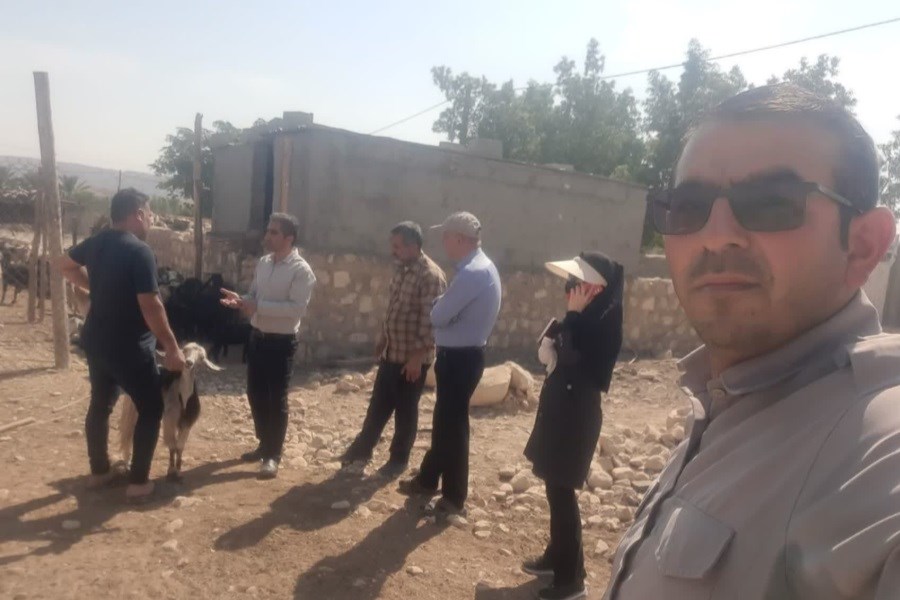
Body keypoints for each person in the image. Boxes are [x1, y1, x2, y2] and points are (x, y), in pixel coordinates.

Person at [603, 84, 900, 600]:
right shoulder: (725, 396)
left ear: (862, 245)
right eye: (688, 206)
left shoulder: (878, 452)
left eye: (770, 203)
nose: (716, 234)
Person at [57, 188, 186, 501]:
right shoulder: (139, 251)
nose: (152, 220)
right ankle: (139, 482)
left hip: (95, 340)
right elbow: (151, 305)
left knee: (100, 403)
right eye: (150, 214)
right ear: (138, 214)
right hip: (129, 346)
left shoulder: (96, 242)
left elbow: (64, 264)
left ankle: (99, 472)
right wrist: (171, 347)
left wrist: (96, 286)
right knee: (151, 406)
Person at [522, 252, 623, 600]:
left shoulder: (604, 321)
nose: (571, 288)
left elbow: (576, 360)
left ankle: (571, 580)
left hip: (576, 415)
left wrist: (573, 318)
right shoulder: (587, 317)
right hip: (563, 410)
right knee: (554, 487)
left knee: (562, 491)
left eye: (578, 283)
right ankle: (557, 557)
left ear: (596, 288)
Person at [398, 211, 502, 516]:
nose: (442, 243)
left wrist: (440, 309)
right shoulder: (480, 268)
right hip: (462, 357)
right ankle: (428, 479)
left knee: (453, 428)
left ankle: (454, 497)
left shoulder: (472, 273)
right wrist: (443, 310)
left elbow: (438, 315)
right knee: (445, 423)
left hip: (460, 359)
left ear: (459, 239)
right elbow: (444, 314)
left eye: (445, 237)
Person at [340, 222, 447, 478]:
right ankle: (362, 449)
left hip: (412, 358)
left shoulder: (430, 276)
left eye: (397, 246)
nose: (393, 251)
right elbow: (394, 308)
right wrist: (383, 338)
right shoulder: (401, 269)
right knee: (378, 405)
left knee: (405, 410)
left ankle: (398, 459)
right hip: (392, 352)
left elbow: (431, 321)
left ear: (413, 246)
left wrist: (417, 358)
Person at [221, 213, 316, 479]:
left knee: (276, 399)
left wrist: (257, 306)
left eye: (274, 232)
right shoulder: (264, 263)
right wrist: (241, 301)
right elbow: (254, 294)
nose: (268, 236)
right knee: (255, 393)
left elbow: (296, 310)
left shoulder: (301, 271)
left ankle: (273, 455)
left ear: (289, 238)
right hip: (258, 337)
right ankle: (264, 444)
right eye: (268, 231)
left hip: (281, 342)